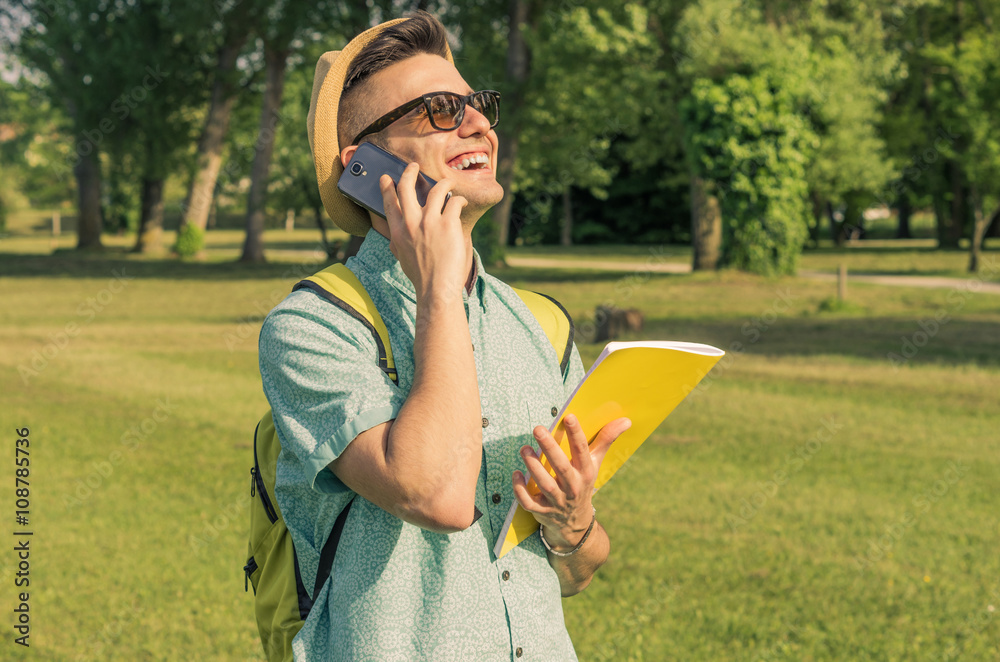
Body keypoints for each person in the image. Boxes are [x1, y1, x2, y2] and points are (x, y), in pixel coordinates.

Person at [258, 12, 631, 661]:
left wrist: (571, 527)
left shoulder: (541, 324)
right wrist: (437, 286)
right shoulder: (311, 327)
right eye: (439, 109)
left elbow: (576, 570)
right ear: (363, 166)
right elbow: (437, 494)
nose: (480, 124)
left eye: (478, 105)